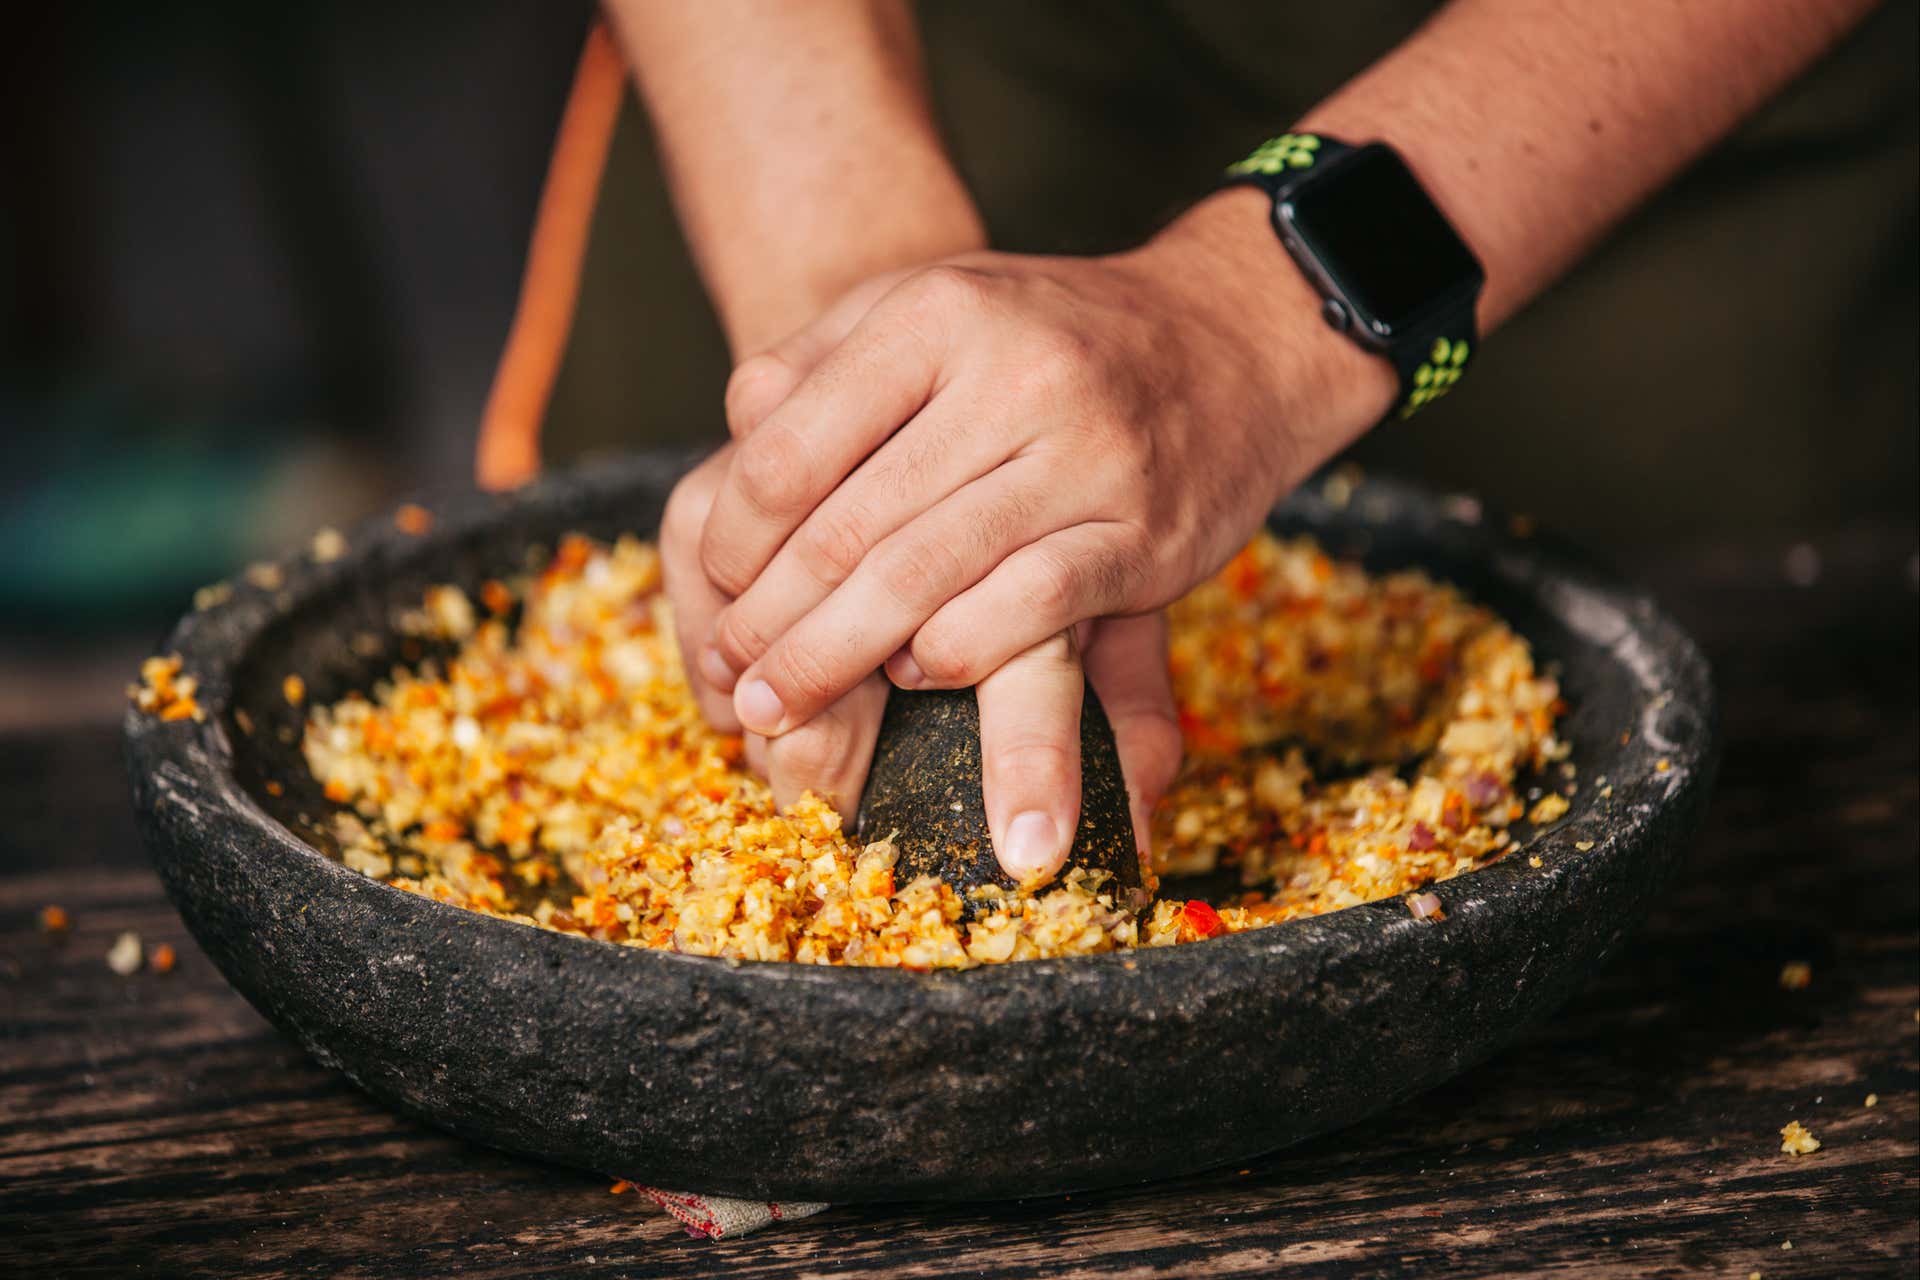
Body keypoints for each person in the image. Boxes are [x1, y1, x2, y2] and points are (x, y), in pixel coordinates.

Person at [563, 0, 1890, 884]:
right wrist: (857, 325)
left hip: (1659, 152)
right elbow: (852, 337)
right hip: (868, 86)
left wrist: (1253, 316)